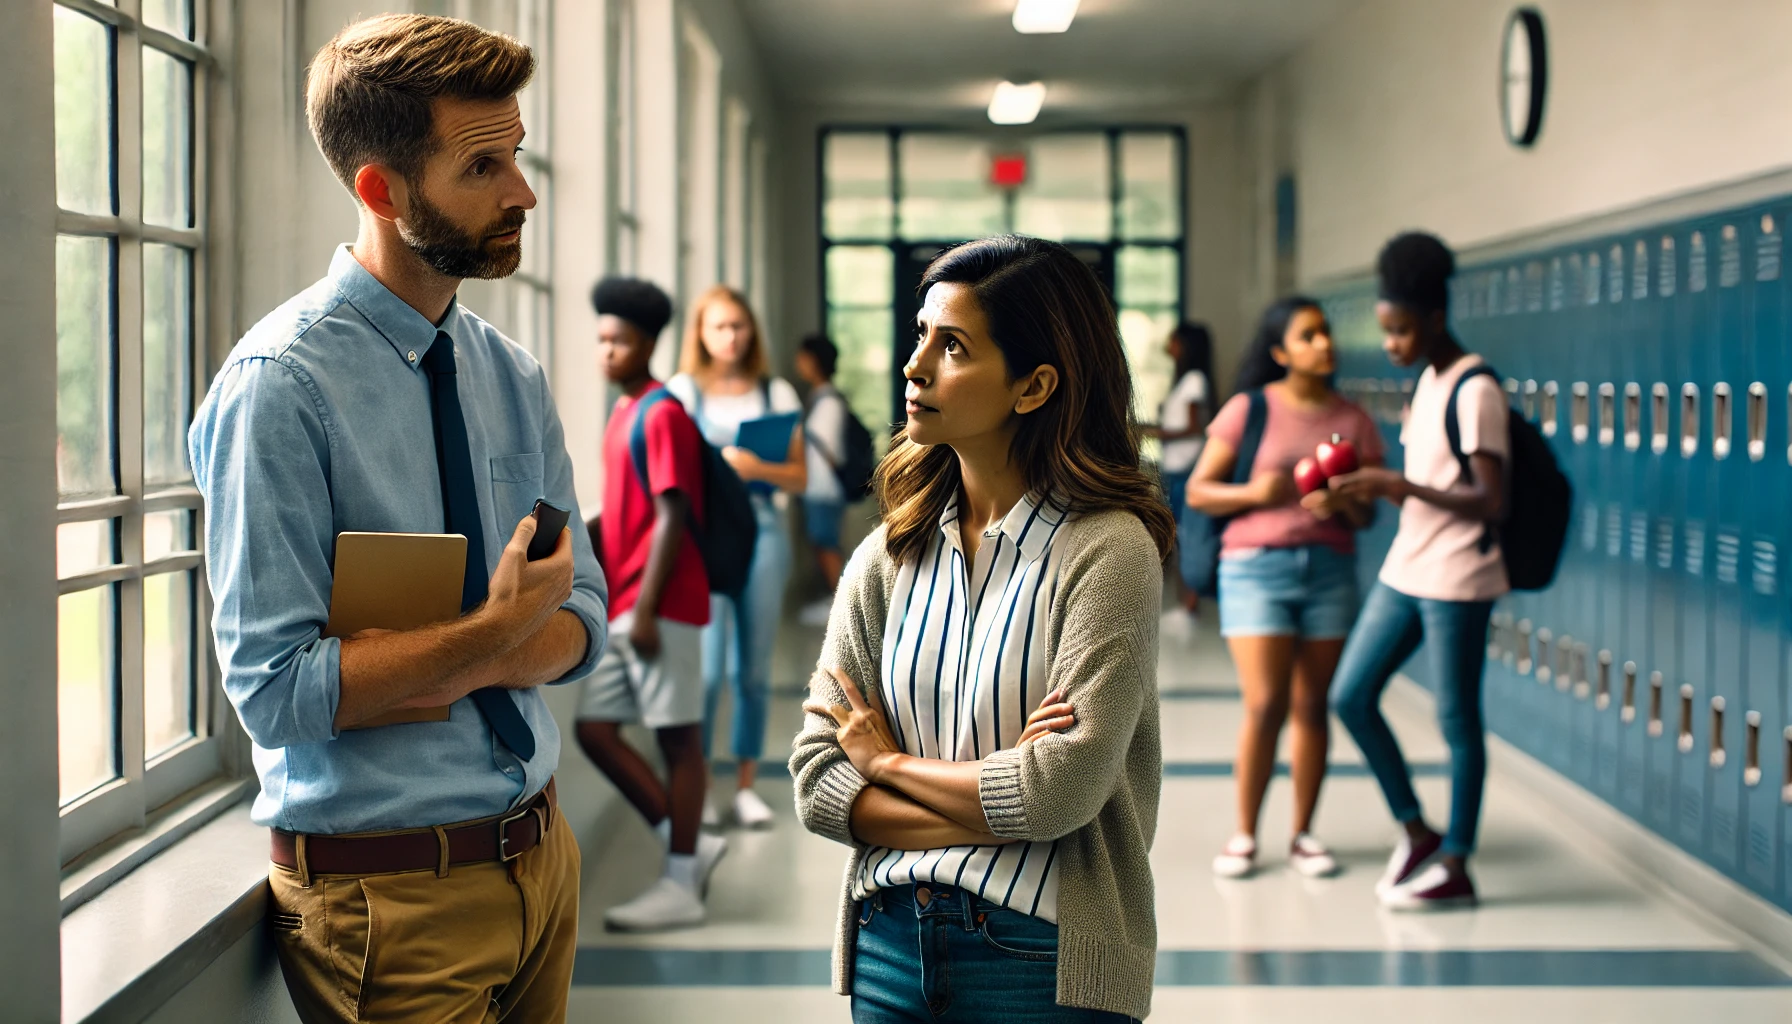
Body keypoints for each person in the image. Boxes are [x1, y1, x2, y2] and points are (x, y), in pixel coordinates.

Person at [187, 15, 604, 1021]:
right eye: (483, 167)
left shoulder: (511, 374)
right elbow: (281, 696)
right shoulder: (278, 387)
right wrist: (499, 631)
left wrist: (424, 661)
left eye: (517, 156)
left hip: (543, 864)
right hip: (388, 900)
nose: (523, 192)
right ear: (382, 189)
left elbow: (583, 618)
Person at [792, 235, 1171, 1023]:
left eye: (953, 346)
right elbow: (819, 782)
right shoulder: (888, 555)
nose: (915, 366)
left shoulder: (1108, 552)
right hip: (888, 943)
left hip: (1039, 956)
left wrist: (885, 762)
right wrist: (999, 796)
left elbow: (1060, 791)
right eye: (920, 336)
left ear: (1033, 387)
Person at [1328, 232, 1508, 910]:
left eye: (1401, 331)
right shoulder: (1429, 381)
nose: (1393, 345)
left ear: (1434, 319)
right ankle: (1417, 829)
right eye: (1387, 331)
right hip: (1410, 566)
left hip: (1460, 575)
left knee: (1458, 717)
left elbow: (1493, 499)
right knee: (1351, 695)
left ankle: (1458, 860)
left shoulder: (1474, 386)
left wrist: (1398, 487)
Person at [1185, 298, 1384, 880]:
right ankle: (1245, 833)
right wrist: (1256, 494)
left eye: (1325, 333)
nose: (1324, 343)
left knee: (1310, 706)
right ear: (1280, 352)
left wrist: (1344, 501)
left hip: (1328, 568)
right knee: (1266, 704)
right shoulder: (1248, 410)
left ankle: (1302, 834)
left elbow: (1367, 516)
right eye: (1308, 336)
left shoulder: (1354, 420)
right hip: (1256, 568)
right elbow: (1199, 491)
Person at [575, 277, 728, 930]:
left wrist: (643, 610)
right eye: (602, 339)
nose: (608, 351)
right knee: (595, 730)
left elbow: (673, 514)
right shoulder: (623, 413)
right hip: (625, 601)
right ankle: (686, 840)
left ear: (649, 344)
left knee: (678, 741)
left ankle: (682, 883)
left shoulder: (663, 413)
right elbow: (622, 514)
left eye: (622, 341)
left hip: (661, 606)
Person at [667, 286, 806, 830]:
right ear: (700, 333)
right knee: (706, 672)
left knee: (751, 669)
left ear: (752, 332)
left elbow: (799, 476)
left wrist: (754, 470)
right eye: (719, 327)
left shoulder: (777, 394)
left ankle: (746, 786)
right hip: (703, 538)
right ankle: (696, 785)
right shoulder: (681, 393)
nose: (730, 337)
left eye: (739, 327)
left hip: (763, 531)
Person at [1151, 321, 1214, 634]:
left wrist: (1152, 431)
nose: (1168, 344)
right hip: (1177, 468)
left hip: (1188, 468)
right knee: (1179, 536)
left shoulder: (1194, 380)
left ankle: (1189, 606)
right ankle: (1185, 605)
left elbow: (1192, 429)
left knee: (1186, 536)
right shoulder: (1184, 380)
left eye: (1174, 340)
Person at [796, 332, 851, 628]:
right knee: (822, 542)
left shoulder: (828, 401)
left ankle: (841, 605)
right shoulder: (819, 398)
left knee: (826, 544)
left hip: (825, 488)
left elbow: (831, 452)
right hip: (817, 486)